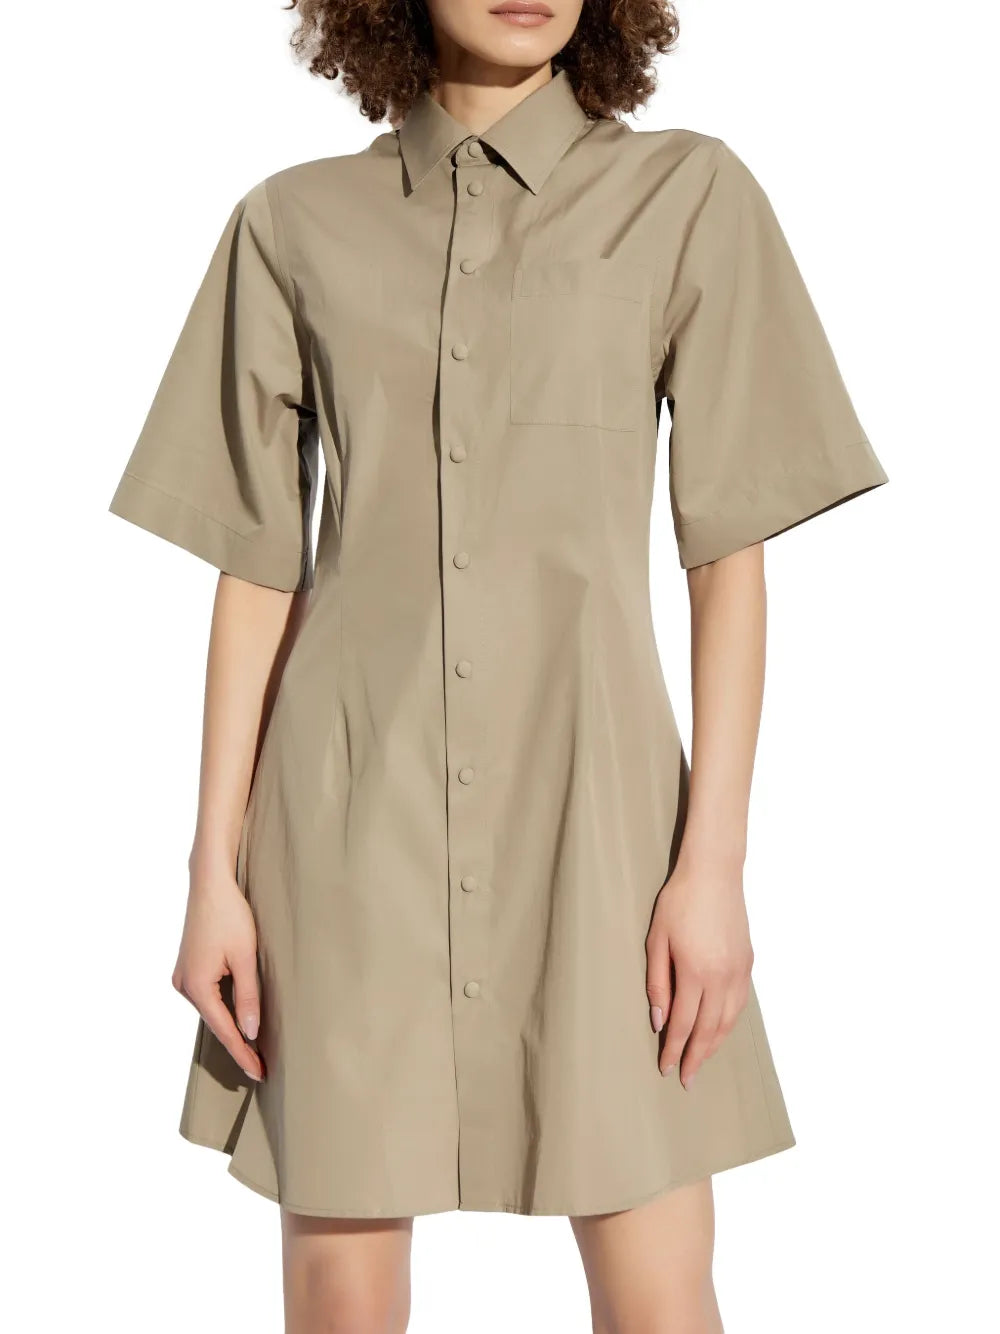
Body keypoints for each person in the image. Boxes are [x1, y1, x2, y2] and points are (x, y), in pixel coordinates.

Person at [107, 0, 889, 1328]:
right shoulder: (291, 224)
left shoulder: (688, 196)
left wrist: (712, 866)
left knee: (660, 1294)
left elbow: (728, 560)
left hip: (603, 828)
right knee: (341, 1303)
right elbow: (255, 570)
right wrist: (212, 875)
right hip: (348, 827)